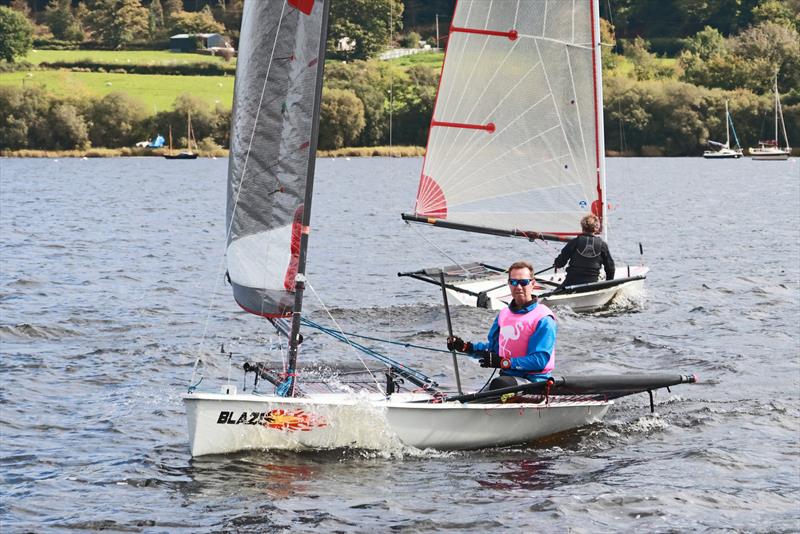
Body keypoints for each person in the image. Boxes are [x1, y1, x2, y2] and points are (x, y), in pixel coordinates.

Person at [446, 261, 557, 390]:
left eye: (523, 282)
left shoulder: (543, 318)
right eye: (514, 282)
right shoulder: (504, 314)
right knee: (487, 389)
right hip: (508, 379)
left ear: (532, 283)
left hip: (534, 382)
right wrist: (465, 347)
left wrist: (505, 362)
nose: (518, 287)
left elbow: (539, 361)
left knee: (499, 384)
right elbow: (494, 350)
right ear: (509, 284)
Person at [553, 213, 615, 287]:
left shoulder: (574, 242)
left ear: (582, 226)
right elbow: (610, 268)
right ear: (597, 228)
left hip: (571, 282)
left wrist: (556, 264)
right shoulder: (603, 245)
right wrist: (608, 284)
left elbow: (560, 263)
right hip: (592, 284)